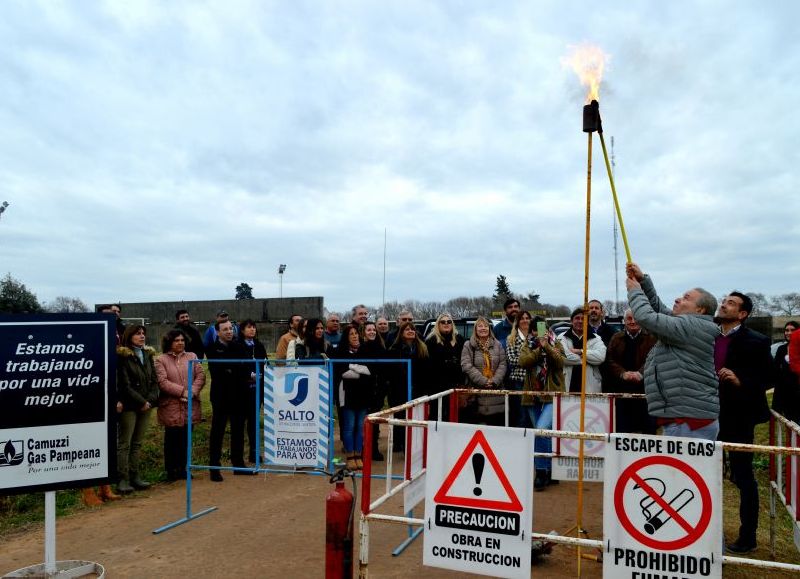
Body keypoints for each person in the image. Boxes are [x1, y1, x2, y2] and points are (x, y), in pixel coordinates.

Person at [626, 262, 719, 441]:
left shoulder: (690, 326)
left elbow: (647, 317)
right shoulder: (690, 325)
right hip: (686, 417)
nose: (678, 299)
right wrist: (643, 281)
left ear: (700, 310)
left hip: (688, 420)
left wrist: (635, 291)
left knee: (683, 469)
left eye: (686, 298)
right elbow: (657, 309)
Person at [715, 292, 772, 554]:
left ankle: (747, 537)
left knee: (743, 476)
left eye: (731, 303)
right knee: (707, 474)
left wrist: (741, 381)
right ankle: (706, 532)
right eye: (724, 300)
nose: (723, 303)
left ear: (742, 314)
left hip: (739, 417)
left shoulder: (757, 341)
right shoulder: (710, 335)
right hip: (708, 415)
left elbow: (769, 378)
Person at [518, 323, 565, 490]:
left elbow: (560, 362)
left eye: (543, 329)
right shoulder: (527, 345)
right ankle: (551, 471)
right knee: (542, 435)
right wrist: (539, 349)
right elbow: (523, 362)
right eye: (536, 329)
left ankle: (541, 471)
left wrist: (548, 348)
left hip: (551, 395)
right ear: (532, 332)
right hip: (533, 397)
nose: (540, 333)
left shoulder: (556, 343)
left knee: (541, 430)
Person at [155, 330, 206, 481]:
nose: (180, 343)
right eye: (176, 340)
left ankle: (184, 468)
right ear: (169, 342)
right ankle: (171, 471)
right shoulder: (160, 360)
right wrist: (182, 392)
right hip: (171, 406)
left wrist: (192, 392)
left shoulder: (192, 356)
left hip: (190, 404)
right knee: (172, 440)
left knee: (186, 438)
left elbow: (201, 376)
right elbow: (162, 382)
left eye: (182, 340)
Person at [116, 324, 160, 493]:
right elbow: (125, 385)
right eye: (138, 334)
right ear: (129, 336)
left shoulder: (148, 354)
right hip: (130, 405)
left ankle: (135, 477)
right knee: (124, 443)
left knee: (137, 443)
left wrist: (149, 401)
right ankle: (122, 480)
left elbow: (154, 381)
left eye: (143, 333)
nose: (142, 336)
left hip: (146, 405)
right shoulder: (122, 356)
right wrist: (142, 401)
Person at [206, 319, 251, 481]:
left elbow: (245, 368)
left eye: (231, 329)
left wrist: (235, 371)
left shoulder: (239, 346)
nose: (229, 332)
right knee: (217, 431)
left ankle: (238, 465)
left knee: (238, 430)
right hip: (220, 396)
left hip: (239, 395)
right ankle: (214, 467)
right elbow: (218, 371)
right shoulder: (212, 348)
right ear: (217, 332)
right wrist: (234, 371)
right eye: (225, 329)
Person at [601, 309, 657, 434]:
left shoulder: (652, 338)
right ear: (624, 321)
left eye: (635, 318)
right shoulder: (616, 338)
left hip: (646, 392)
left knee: (648, 431)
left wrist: (640, 373)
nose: (633, 321)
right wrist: (622, 373)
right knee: (622, 430)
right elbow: (609, 359)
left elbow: (654, 359)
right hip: (622, 392)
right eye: (629, 319)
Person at [333, 326, 374, 470]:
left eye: (356, 333)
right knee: (349, 426)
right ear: (346, 337)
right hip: (347, 394)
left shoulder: (366, 350)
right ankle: (350, 456)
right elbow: (343, 373)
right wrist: (359, 370)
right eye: (351, 334)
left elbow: (369, 371)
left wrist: (351, 366)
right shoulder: (340, 352)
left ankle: (358, 455)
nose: (355, 336)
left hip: (362, 394)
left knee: (360, 427)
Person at [387, 321, 430, 450]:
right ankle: (398, 444)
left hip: (417, 387)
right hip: (399, 388)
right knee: (400, 416)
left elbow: (426, 369)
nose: (411, 331)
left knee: (416, 416)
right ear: (401, 333)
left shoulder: (422, 348)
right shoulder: (394, 350)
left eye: (413, 329)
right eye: (407, 330)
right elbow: (392, 371)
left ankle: (414, 444)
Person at [460, 317, 508, 425]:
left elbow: (503, 363)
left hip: (497, 394)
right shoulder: (468, 345)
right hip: (476, 395)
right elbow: (466, 365)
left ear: (490, 329)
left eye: (486, 326)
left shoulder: (497, 344)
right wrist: (483, 381)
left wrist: (494, 380)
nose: (483, 328)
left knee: (496, 428)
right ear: (475, 329)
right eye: (480, 326)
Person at [425, 313, 466, 422]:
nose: (446, 324)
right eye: (443, 322)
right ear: (438, 324)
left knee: (456, 416)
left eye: (449, 322)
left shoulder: (459, 339)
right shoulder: (431, 341)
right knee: (436, 416)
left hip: (456, 385)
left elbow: (464, 361)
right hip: (437, 387)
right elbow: (428, 366)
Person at [238, 320, 268, 465]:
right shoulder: (237, 345)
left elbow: (265, 362)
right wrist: (248, 374)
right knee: (240, 423)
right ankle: (238, 456)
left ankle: (254, 453)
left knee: (254, 422)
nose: (252, 330)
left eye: (254, 327)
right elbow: (237, 365)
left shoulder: (259, 345)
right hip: (243, 390)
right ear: (242, 330)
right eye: (249, 327)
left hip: (258, 388)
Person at [558, 308, 606, 394]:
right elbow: (562, 357)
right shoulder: (561, 337)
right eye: (577, 318)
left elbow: (600, 357)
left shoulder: (596, 338)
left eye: (583, 319)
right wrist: (586, 359)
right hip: (567, 386)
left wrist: (581, 351)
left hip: (590, 388)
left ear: (587, 322)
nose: (580, 321)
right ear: (571, 321)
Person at [363, 321, 388, 460]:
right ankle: (364, 448)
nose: (372, 332)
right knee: (365, 419)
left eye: (373, 329)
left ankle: (374, 448)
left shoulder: (381, 347)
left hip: (378, 388)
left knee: (375, 419)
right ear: (364, 332)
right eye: (369, 330)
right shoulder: (361, 348)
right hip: (365, 388)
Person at [505, 310, 534, 427]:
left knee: (535, 414)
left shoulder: (538, 334)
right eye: (522, 318)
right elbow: (511, 359)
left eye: (527, 318)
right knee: (522, 415)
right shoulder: (511, 338)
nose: (525, 320)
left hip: (537, 380)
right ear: (517, 321)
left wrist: (525, 359)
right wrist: (532, 359)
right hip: (520, 380)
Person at [773, 321, 800, 422]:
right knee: (790, 426)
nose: (788, 333)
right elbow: (775, 370)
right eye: (786, 330)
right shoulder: (781, 349)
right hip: (785, 394)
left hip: (798, 393)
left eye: (792, 330)